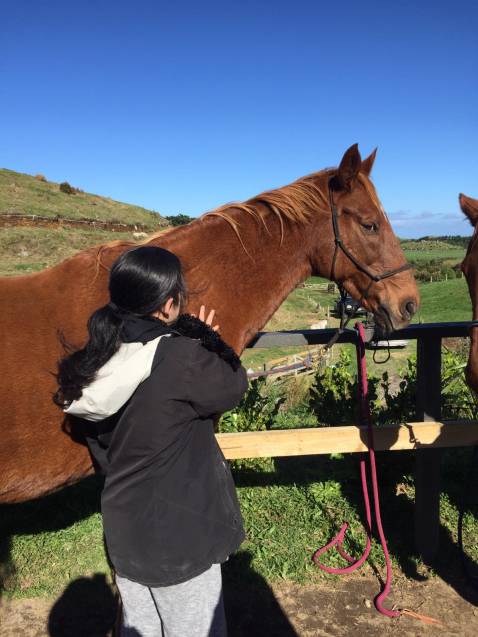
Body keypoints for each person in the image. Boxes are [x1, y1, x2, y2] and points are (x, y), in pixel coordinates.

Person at [54, 246, 248, 637]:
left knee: (139, 628)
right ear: (168, 304)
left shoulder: (97, 356)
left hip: (125, 529)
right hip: (180, 534)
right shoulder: (181, 357)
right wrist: (205, 338)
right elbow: (234, 385)